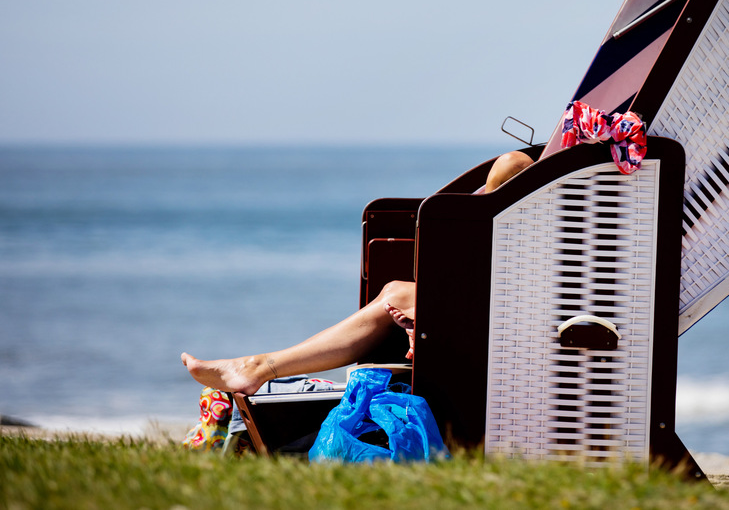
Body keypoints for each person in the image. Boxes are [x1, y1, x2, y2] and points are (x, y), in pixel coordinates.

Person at [182, 150, 535, 396]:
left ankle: (258, 368)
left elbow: (513, 166)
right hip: (508, 291)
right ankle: (258, 367)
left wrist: (440, 303)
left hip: (519, 306)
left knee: (396, 293)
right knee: (395, 291)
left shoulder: (545, 169)